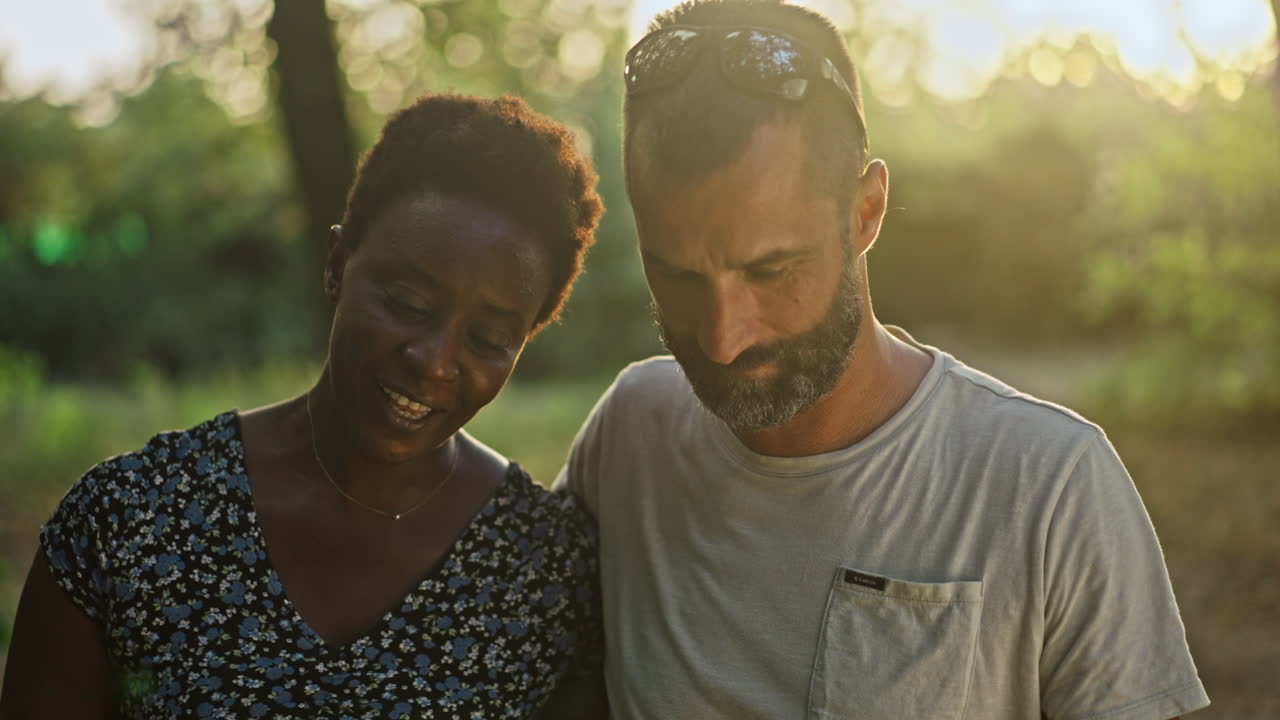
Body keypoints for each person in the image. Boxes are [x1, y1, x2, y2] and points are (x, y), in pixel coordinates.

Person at [555, 1, 1209, 718]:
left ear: (865, 212)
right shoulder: (628, 436)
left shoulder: (1049, 485)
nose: (722, 339)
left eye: (772, 270)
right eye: (676, 275)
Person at [2, 93, 604, 719]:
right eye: (407, 302)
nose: (433, 360)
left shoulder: (547, 576)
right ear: (337, 265)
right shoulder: (131, 523)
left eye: (487, 340)